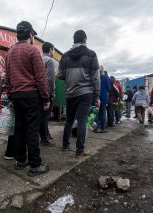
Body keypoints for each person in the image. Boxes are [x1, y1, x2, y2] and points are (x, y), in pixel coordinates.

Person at [5, 21, 50, 176]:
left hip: (16, 96)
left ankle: (21, 161)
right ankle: (35, 165)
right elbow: (41, 77)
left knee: (19, 129)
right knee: (32, 130)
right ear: (30, 34)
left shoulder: (10, 52)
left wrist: (10, 96)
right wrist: (45, 98)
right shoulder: (33, 51)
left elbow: (8, 76)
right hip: (31, 96)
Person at [58, 30, 100, 157]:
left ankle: (65, 145)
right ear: (85, 40)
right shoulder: (91, 54)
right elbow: (96, 77)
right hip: (85, 93)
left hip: (70, 93)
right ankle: (79, 150)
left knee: (69, 120)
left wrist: (70, 77)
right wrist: (97, 95)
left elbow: (60, 75)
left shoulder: (64, 56)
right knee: (82, 120)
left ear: (74, 40)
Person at [39, 42, 56, 146]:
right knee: (45, 116)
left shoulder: (38, 59)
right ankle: (44, 139)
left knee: (41, 116)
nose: (53, 52)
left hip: (38, 92)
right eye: (53, 50)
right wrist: (51, 94)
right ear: (50, 49)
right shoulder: (50, 60)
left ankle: (46, 134)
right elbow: (50, 79)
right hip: (47, 93)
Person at [94, 68, 111, 133]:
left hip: (95, 97)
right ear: (103, 71)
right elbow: (109, 88)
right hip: (103, 98)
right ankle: (102, 129)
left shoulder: (94, 77)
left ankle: (95, 128)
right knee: (103, 113)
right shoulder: (106, 78)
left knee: (95, 113)